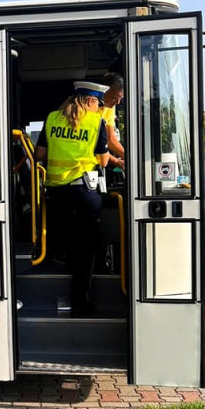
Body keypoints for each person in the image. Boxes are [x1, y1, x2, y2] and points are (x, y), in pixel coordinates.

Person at [35, 81, 110, 316]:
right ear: (89, 101)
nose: (99, 107)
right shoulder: (96, 122)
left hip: (56, 194)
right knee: (87, 249)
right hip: (84, 193)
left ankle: (61, 284)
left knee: (66, 244)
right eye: (98, 103)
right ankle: (82, 302)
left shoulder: (52, 118)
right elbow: (103, 160)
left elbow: (40, 154)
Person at [99, 72, 125, 170]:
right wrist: (117, 161)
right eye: (113, 98)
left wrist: (129, 158)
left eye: (120, 98)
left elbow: (110, 138)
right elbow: (93, 145)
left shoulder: (110, 106)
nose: (117, 102)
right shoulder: (89, 108)